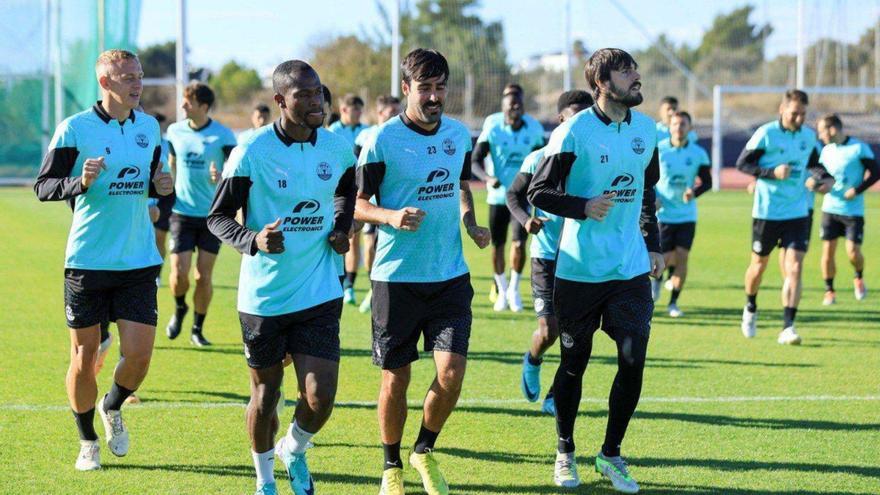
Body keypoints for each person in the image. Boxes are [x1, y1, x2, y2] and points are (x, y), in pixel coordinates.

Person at [207, 59, 355, 495]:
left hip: (320, 290)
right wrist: (253, 239)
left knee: (319, 396)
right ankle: (265, 481)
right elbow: (216, 218)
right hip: (264, 299)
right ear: (280, 101)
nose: (316, 102)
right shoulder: (251, 151)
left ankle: (295, 448)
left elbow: (348, 190)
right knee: (266, 397)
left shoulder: (337, 147)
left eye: (319, 93)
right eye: (304, 95)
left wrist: (342, 227)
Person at [355, 48, 490, 495]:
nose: (434, 97)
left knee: (451, 374)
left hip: (449, 275)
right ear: (407, 89)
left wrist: (469, 221)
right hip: (396, 278)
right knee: (397, 378)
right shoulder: (381, 141)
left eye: (440, 87)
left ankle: (424, 451)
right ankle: (391, 466)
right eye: (425, 88)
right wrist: (390, 216)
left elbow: (460, 182)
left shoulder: (457, 134)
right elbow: (355, 205)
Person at [528, 47, 663, 493]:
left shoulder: (647, 130)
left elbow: (646, 194)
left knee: (633, 359)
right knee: (573, 363)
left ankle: (611, 454)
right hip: (580, 272)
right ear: (602, 83)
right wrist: (582, 207)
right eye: (626, 72)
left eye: (634, 69)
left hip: (629, 269)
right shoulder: (574, 132)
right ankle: (564, 452)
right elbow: (539, 191)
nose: (636, 76)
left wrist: (653, 244)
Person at [34, 48, 173, 471]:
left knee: (140, 356)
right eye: (128, 77)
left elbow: (154, 183)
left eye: (140, 75)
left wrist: (163, 186)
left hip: (137, 260)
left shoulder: (149, 128)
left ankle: (111, 407)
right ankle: (87, 440)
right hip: (88, 261)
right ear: (106, 82)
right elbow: (43, 186)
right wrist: (81, 181)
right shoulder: (75, 128)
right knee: (84, 356)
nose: (137, 83)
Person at [506, 89, 592, 415]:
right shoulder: (538, 158)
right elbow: (514, 196)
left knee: (578, 334)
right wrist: (526, 220)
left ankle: (556, 395)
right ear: (561, 119)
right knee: (549, 330)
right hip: (545, 255)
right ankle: (533, 358)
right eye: (575, 116)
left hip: (582, 257)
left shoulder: (594, 164)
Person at [736, 89, 833, 345]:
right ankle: (750, 307)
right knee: (758, 266)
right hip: (766, 213)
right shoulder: (766, 133)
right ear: (782, 109)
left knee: (796, 267)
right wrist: (771, 172)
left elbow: (816, 165)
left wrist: (826, 180)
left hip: (798, 212)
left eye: (803, 114)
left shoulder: (808, 137)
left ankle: (788, 326)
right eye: (794, 114)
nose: (799, 119)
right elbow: (742, 164)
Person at [165, 81, 237, 346]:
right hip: (181, 212)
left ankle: (197, 327)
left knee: (202, 276)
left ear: (203, 106)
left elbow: (234, 170)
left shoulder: (223, 135)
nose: (183, 105)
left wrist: (222, 177)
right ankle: (179, 307)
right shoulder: (174, 131)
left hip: (211, 217)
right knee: (179, 272)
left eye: (188, 101)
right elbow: (171, 164)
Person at [472, 85, 545, 312]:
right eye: (510, 104)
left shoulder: (533, 128)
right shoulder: (492, 126)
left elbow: (544, 162)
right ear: (502, 107)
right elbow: (475, 160)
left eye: (518, 104)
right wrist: (487, 177)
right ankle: (501, 290)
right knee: (498, 245)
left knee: (519, 243)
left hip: (521, 197)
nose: (514, 108)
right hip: (497, 196)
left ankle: (513, 289)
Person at [651, 111, 712, 317]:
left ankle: (673, 303)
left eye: (683, 124)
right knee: (666, 258)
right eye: (675, 124)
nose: (679, 128)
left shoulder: (698, 153)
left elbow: (708, 182)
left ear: (690, 128)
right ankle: (658, 281)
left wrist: (694, 192)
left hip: (686, 215)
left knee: (683, 258)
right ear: (670, 127)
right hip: (664, 215)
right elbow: (647, 179)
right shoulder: (659, 151)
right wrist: (654, 198)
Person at [816, 113, 879, 304]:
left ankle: (858, 276)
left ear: (833, 129)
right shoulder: (826, 151)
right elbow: (820, 176)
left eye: (822, 131)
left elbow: (876, 172)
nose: (820, 136)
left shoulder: (859, 148)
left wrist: (858, 190)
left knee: (853, 252)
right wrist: (818, 187)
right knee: (827, 252)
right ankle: (829, 290)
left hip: (853, 211)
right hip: (830, 209)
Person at [354, 95, 402, 314]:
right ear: (380, 114)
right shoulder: (368, 136)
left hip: (394, 204)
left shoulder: (403, 136)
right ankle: (374, 283)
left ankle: (379, 288)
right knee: (370, 244)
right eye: (391, 113)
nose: (395, 116)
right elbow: (357, 167)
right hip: (370, 204)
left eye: (397, 111)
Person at [327, 93, 368, 304]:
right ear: (344, 110)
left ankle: (349, 284)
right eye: (355, 110)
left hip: (358, 190)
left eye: (361, 110)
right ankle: (336, 279)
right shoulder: (333, 131)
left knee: (353, 234)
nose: (359, 114)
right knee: (336, 234)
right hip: (336, 192)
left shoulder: (365, 131)